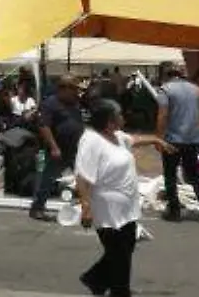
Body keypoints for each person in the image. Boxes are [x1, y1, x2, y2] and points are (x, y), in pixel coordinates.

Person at [76, 99, 173, 297]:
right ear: (109, 121)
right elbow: (82, 177)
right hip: (106, 209)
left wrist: (156, 140)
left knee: (125, 248)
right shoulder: (91, 141)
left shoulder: (117, 136)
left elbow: (134, 140)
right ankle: (120, 291)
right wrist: (85, 207)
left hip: (126, 207)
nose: (123, 117)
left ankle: (95, 279)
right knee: (119, 255)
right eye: (119, 115)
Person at [155, 62, 199, 224]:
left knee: (170, 175)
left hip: (173, 139)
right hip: (192, 139)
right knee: (194, 175)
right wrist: (196, 133)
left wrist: (158, 138)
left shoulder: (165, 89)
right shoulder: (196, 90)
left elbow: (163, 115)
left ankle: (174, 210)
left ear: (167, 74)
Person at [29, 76, 85, 221]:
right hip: (58, 148)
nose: (76, 93)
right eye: (73, 89)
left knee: (84, 177)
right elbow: (44, 126)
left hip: (75, 149)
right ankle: (37, 208)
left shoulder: (74, 104)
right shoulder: (50, 104)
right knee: (47, 179)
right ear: (63, 88)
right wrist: (54, 147)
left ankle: (86, 207)